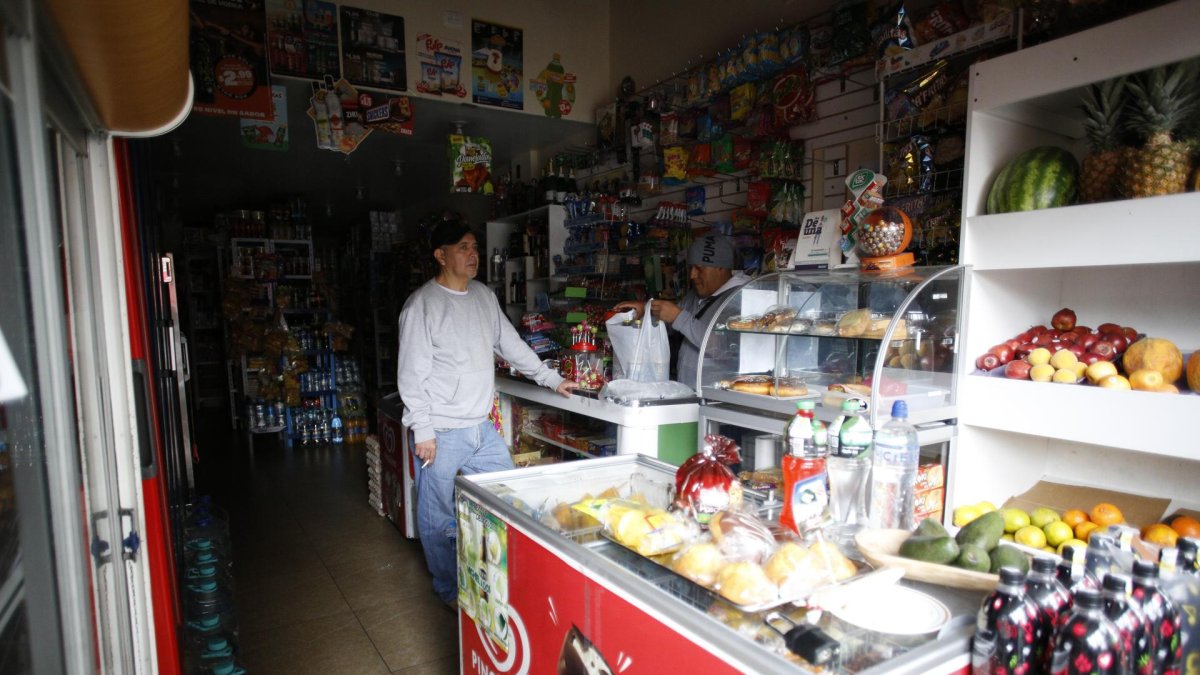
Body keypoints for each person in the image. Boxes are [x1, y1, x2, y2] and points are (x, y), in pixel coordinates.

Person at [396, 220, 577, 608]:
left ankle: (502, 573)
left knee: (508, 496)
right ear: (440, 255)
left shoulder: (483, 296)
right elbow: (411, 374)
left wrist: (550, 378)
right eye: (462, 247)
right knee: (437, 514)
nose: (472, 254)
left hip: (480, 428)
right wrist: (422, 429)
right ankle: (449, 589)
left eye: (474, 246)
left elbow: (510, 344)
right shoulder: (421, 306)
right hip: (441, 431)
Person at [614, 233, 750, 390]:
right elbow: (672, 325)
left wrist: (678, 317)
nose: (692, 275)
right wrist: (647, 310)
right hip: (687, 391)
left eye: (699, 268)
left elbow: (726, 348)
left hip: (718, 396)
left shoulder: (741, 298)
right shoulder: (696, 294)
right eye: (691, 268)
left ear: (721, 268)